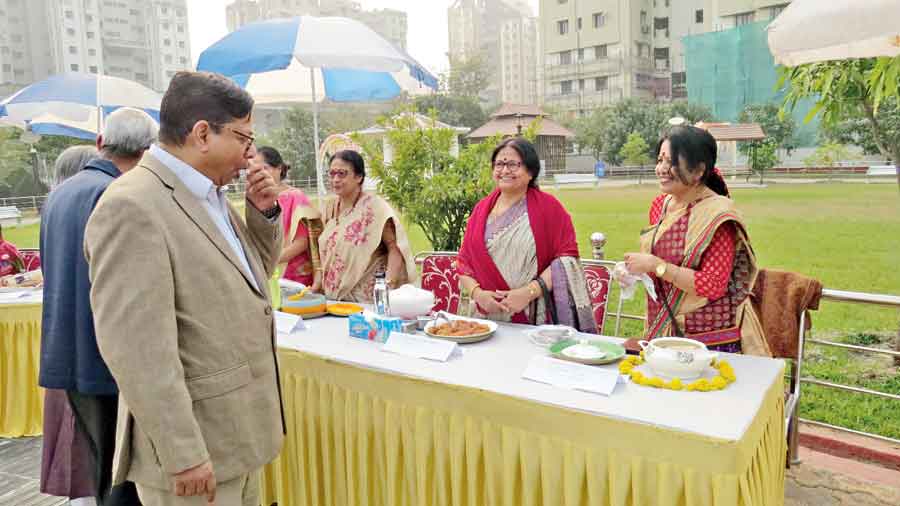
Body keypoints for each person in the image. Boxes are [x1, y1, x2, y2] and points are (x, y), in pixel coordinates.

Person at [84, 71, 285, 506]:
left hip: (234, 436)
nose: (251, 156)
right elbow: (136, 349)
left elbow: (252, 284)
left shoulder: (206, 193)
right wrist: (184, 454)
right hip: (195, 453)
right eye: (244, 139)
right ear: (202, 134)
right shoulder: (132, 206)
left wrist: (262, 213)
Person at [39, 109, 157, 506]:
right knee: (122, 474)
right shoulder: (119, 195)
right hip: (106, 354)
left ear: (101, 144)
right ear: (147, 151)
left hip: (67, 351)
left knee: (98, 463)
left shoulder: (59, 194)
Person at [623, 125, 769, 355]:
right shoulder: (660, 206)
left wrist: (655, 266)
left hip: (705, 341)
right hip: (661, 329)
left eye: (670, 162)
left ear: (698, 170)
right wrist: (636, 272)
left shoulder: (718, 215)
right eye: (660, 159)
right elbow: (663, 262)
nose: (661, 168)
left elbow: (712, 285)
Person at [456, 138, 597, 331]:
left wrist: (528, 292)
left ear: (531, 171)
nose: (505, 170)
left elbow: (566, 260)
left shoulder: (549, 208)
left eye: (513, 164)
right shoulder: (481, 210)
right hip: (485, 320)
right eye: (499, 164)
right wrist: (478, 294)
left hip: (534, 319)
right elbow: (464, 262)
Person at [317, 149, 416, 302]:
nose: (335, 179)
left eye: (342, 174)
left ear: (359, 177)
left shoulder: (375, 208)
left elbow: (394, 248)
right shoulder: (329, 207)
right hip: (333, 300)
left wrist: (386, 288)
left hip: (366, 302)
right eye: (332, 174)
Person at [254, 146, 320, 288]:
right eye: (256, 170)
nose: (261, 174)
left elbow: (301, 243)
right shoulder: (255, 200)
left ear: (279, 168)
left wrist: (271, 261)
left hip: (293, 276)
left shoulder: (295, 197)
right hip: (266, 273)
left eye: (265, 168)